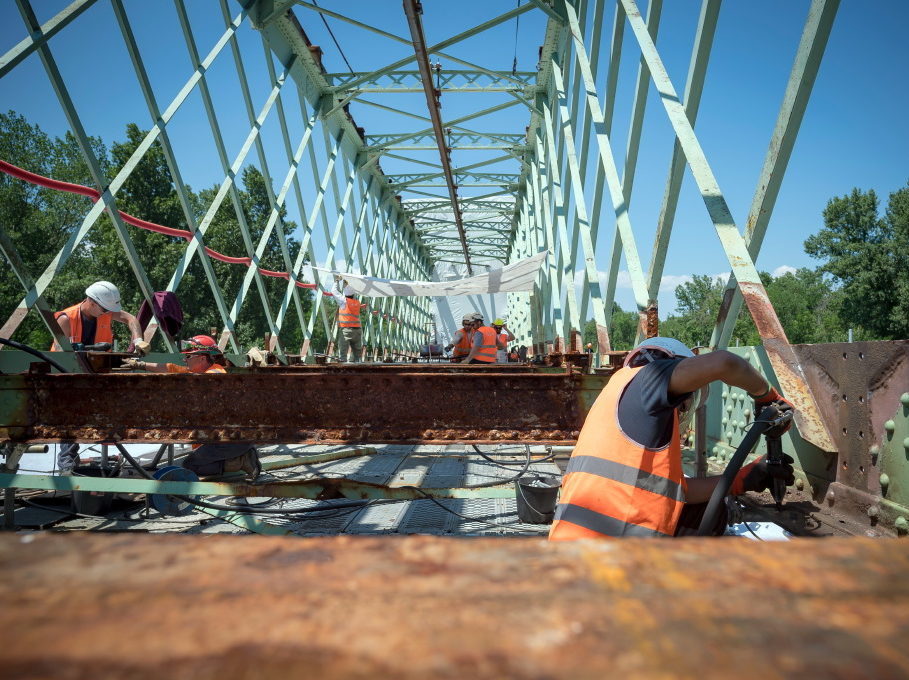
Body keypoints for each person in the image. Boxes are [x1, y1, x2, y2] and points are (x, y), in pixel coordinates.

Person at [549, 337, 795, 540]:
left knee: (705, 510)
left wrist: (741, 478)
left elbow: (677, 493)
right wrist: (767, 396)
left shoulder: (616, 395)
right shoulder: (648, 378)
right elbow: (725, 363)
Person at [123, 335, 259, 481]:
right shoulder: (199, 372)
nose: (185, 359)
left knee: (192, 465)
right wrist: (139, 365)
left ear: (202, 358)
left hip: (232, 439)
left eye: (188, 356)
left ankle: (243, 460)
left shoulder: (215, 375)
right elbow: (168, 368)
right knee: (193, 462)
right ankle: (237, 457)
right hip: (223, 437)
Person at [51, 280, 150, 355]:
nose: (108, 312)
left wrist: (138, 341)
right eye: (105, 309)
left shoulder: (105, 312)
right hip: (64, 373)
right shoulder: (65, 319)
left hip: (97, 369)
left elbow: (131, 319)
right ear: (92, 303)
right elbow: (61, 354)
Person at [332, 280, 364, 363]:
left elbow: (334, 291)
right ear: (353, 295)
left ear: (345, 294)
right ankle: (359, 372)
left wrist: (336, 281)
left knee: (343, 355)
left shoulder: (344, 301)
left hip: (346, 331)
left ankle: (343, 373)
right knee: (358, 356)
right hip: (357, 331)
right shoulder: (357, 303)